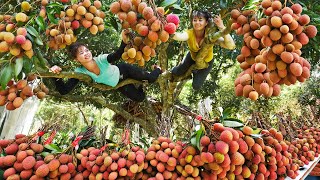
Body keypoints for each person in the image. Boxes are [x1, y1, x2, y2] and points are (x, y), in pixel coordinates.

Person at [50, 32, 162, 102]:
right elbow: (64, 90)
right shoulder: (80, 72)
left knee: (152, 78)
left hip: (124, 71)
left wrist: (124, 40)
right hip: (118, 84)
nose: (86, 53)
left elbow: (117, 54)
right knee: (140, 98)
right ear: (76, 59)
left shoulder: (101, 59)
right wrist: (55, 75)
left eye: (86, 50)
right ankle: (141, 85)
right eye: (81, 53)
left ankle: (158, 69)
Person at [171, 10, 235, 90]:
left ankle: (195, 72)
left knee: (196, 86)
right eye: (195, 20)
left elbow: (231, 46)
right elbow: (180, 37)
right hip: (192, 57)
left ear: (206, 22)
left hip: (207, 62)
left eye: (200, 20)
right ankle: (176, 70)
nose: (197, 22)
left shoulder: (210, 36)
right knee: (176, 72)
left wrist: (222, 27)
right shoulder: (190, 33)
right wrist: (170, 30)